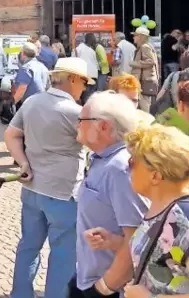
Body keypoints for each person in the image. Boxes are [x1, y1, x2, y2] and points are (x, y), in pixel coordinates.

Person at [4, 57, 92, 298]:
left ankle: (20, 294)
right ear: (73, 79)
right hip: (63, 192)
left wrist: (23, 162)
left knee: (28, 247)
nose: (85, 87)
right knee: (63, 253)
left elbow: (11, 134)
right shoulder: (76, 112)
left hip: (32, 188)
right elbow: (95, 144)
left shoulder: (32, 101)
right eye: (84, 82)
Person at [70, 91, 147, 298]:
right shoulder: (103, 159)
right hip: (87, 277)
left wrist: (104, 287)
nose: (77, 123)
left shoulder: (120, 168)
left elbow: (137, 240)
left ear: (103, 126)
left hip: (107, 286)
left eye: (81, 119)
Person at [122, 124, 189, 298]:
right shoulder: (160, 207)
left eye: (132, 163)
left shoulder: (184, 219)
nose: (127, 168)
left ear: (155, 175)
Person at [130, 26, 159, 112]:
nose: (133, 37)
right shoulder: (145, 46)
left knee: (144, 105)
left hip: (144, 80)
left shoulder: (144, 47)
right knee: (143, 104)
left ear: (140, 37)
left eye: (135, 35)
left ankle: (148, 123)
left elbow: (151, 62)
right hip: (144, 79)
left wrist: (134, 64)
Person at [13, 43, 50, 107]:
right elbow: (48, 86)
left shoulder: (26, 68)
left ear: (23, 54)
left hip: (29, 104)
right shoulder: (42, 66)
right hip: (43, 103)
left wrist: (13, 104)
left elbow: (21, 89)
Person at [75, 34, 99, 103]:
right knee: (90, 96)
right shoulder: (92, 51)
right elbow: (96, 64)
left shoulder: (77, 49)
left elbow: (74, 61)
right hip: (93, 75)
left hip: (83, 75)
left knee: (83, 96)